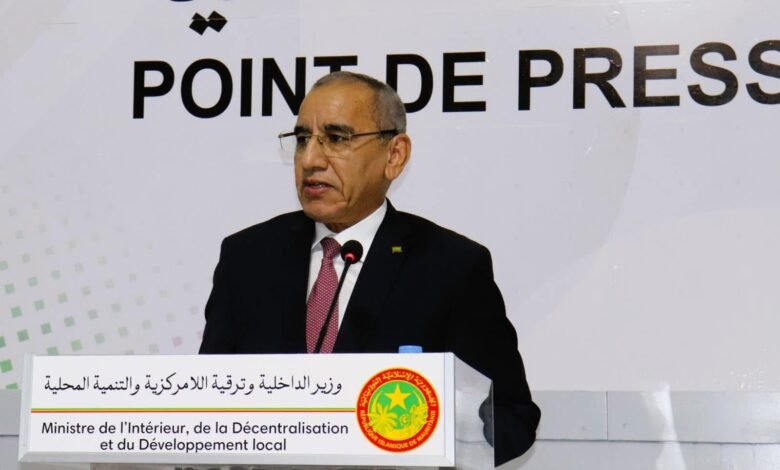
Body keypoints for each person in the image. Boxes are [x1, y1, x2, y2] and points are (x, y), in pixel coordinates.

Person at [199, 71, 540, 466]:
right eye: (302, 139)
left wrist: (421, 426)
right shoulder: (248, 258)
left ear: (394, 156)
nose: (310, 160)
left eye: (336, 138)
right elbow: (205, 403)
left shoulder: (451, 266)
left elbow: (511, 418)